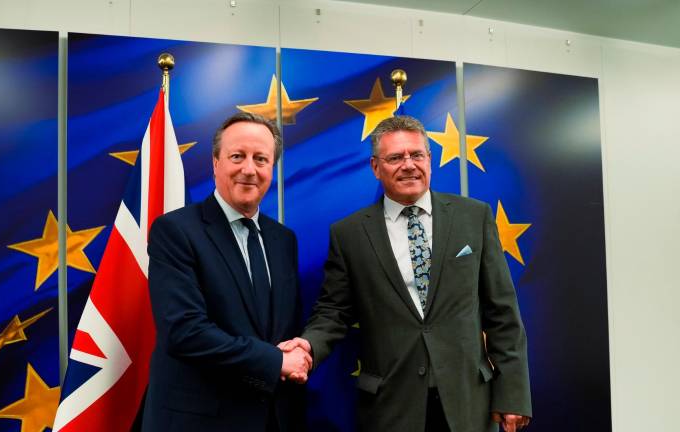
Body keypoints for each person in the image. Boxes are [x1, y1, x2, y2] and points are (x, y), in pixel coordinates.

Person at [281, 115, 532, 432]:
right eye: (395, 157)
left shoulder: (474, 217)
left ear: (430, 159)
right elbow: (334, 312)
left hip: (470, 403)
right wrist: (308, 347)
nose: (409, 165)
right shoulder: (349, 234)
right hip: (391, 407)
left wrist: (513, 394)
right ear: (375, 167)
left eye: (417, 155)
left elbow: (502, 313)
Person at [142, 112, 310, 432]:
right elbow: (185, 332)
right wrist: (277, 362)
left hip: (274, 419)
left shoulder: (283, 239)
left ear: (271, 169)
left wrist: (300, 351)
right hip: (200, 421)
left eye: (261, 159)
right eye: (237, 156)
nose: (249, 169)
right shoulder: (175, 231)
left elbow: (284, 328)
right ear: (216, 163)